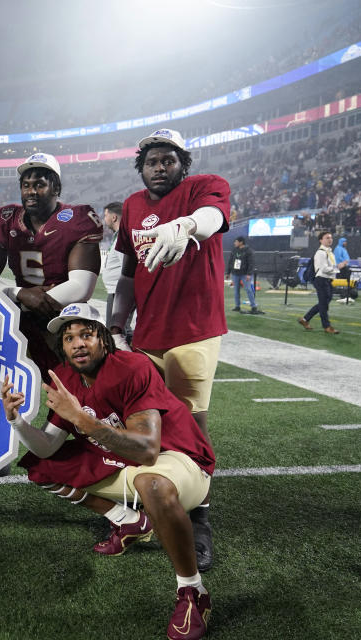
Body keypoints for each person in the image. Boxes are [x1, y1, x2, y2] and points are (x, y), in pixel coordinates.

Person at [1, 303, 215, 640]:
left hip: (178, 459)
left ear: (103, 338)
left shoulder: (132, 367)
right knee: (41, 467)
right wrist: (16, 421)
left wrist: (82, 419)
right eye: (69, 337)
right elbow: (46, 447)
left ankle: (192, 591)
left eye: (86, 333)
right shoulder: (67, 377)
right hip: (124, 459)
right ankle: (128, 521)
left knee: (152, 484)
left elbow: (147, 450)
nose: (77, 344)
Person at [109, 129, 230, 572]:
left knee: (191, 425)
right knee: (145, 421)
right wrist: (117, 324)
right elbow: (126, 274)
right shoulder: (132, 206)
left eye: (169, 160)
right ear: (140, 167)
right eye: (152, 161)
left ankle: (199, 516)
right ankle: (145, 504)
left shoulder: (204, 188)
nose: (160, 167)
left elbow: (212, 217)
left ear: (184, 164)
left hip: (195, 329)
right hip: (147, 333)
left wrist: (186, 225)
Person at [0, 152, 103, 380]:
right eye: (26, 185)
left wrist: (30, 302)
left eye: (39, 185)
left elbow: (81, 287)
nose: (31, 191)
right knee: (17, 381)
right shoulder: (6, 218)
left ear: (56, 188)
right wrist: (19, 293)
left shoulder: (77, 218)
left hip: (66, 316)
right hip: (23, 316)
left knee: (77, 383)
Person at [100, 202, 134, 337]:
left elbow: (127, 268)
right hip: (115, 291)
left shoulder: (123, 237)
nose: (104, 219)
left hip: (119, 293)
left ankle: (128, 357)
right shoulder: (118, 236)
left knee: (117, 333)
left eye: (106, 215)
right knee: (119, 331)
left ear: (114, 217)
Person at [298, 231, 341, 334]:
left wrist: (335, 271)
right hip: (321, 280)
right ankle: (327, 326)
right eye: (327, 238)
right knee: (323, 304)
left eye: (330, 237)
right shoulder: (321, 253)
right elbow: (324, 269)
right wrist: (337, 268)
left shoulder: (330, 252)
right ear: (321, 240)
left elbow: (329, 269)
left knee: (324, 303)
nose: (330, 239)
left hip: (327, 280)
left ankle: (305, 319)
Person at [226, 236, 263, 314]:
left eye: (236, 241)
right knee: (236, 291)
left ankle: (253, 306)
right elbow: (230, 261)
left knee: (248, 290)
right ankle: (237, 306)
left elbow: (251, 263)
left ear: (241, 242)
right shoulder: (234, 250)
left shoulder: (248, 251)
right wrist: (228, 272)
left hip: (245, 274)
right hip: (235, 274)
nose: (234, 243)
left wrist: (249, 274)